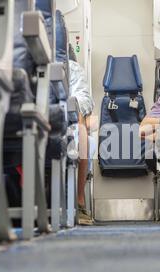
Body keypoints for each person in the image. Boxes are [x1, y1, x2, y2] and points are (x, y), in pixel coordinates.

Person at [68, 58, 95, 226]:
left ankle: (79, 200)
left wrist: (72, 106)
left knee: (84, 137)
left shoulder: (71, 67)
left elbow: (84, 99)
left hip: (65, 120)